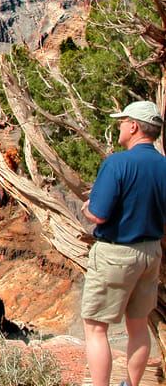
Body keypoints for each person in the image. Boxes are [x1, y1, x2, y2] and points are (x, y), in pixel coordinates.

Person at [81, 100, 166, 386]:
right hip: (151, 252)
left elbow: (99, 215)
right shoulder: (163, 164)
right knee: (138, 325)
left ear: (134, 126)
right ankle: (131, 385)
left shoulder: (118, 162)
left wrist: (87, 207)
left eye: (122, 121)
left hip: (116, 254)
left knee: (95, 327)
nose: (119, 125)